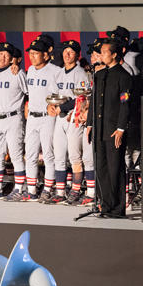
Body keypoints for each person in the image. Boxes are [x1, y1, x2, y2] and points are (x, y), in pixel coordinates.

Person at [90, 39, 133, 218]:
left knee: (115, 168)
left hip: (114, 129)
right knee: (101, 168)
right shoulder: (100, 75)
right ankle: (105, 204)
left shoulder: (123, 76)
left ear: (114, 54)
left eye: (105, 52)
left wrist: (121, 128)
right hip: (99, 129)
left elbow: (125, 104)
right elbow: (94, 101)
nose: (101, 55)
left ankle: (117, 207)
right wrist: (90, 124)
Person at [47, 40, 90, 205]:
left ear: (77, 55)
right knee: (59, 155)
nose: (67, 54)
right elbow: (53, 94)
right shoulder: (59, 73)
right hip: (60, 118)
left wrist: (62, 107)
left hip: (74, 117)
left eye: (71, 52)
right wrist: (50, 106)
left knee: (74, 156)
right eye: (65, 51)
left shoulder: (80, 73)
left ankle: (76, 190)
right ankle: (60, 191)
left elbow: (82, 97)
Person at [0, 42, 27, 201]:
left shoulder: (18, 72)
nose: (2, 57)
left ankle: (19, 188)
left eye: (6, 54)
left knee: (16, 154)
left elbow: (28, 93)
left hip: (13, 117)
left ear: (11, 58)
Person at [22, 39, 60, 202]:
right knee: (30, 155)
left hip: (47, 117)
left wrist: (54, 105)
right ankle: (31, 190)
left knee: (49, 155)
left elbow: (62, 93)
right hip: (32, 117)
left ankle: (48, 189)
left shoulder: (55, 70)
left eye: (36, 53)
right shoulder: (30, 70)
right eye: (30, 53)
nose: (32, 56)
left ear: (45, 55)